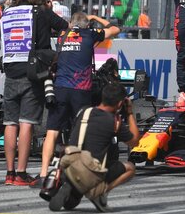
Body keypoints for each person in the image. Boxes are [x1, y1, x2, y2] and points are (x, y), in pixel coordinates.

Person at [37, 12, 120, 189]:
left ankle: (43, 173)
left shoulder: (62, 35)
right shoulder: (90, 34)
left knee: (52, 131)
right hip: (81, 90)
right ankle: (81, 172)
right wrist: (95, 18)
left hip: (60, 88)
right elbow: (115, 29)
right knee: (83, 131)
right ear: (86, 25)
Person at [0, 0, 69, 186]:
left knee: (9, 123)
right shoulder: (41, 11)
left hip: (10, 70)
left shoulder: (7, 13)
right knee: (26, 122)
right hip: (34, 71)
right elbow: (65, 26)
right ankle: (21, 173)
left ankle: (10, 173)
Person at [49, 82, 140, 212]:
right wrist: (130, 113)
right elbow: (134, 142)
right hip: (91, 170)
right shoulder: (114, 121)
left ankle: (70, 184)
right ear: (120, 104)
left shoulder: (84, 112)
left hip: (70, 164)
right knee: (130, 168)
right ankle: (100, 192)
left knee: (70, 205)